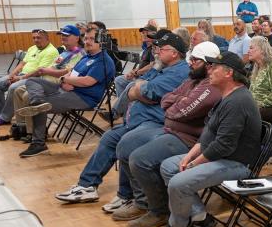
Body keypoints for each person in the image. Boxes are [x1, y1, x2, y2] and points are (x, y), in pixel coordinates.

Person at [52, 31, 190, 204]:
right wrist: (140, 86)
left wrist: (138, 89)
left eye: (161, 49)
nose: (156, 51)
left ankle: (127, 196)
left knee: (126, 142)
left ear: (174, 53)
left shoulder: (179, 72)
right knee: (110, 137)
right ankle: (87, 186)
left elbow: (146, 90)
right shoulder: (162, 67)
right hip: (140, 119)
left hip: (156, 123)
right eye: (157, 48)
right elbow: (140, 85)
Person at [152, 51, 261, 227]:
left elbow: (223, 146)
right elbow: (208, 134)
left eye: (214, 67)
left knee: (179, 182)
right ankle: (200, 217)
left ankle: (178, 226)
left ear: (229, 73)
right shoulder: (226, 97)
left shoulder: (239, 101)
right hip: (221, 157)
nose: (209, 70)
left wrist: (195, 164)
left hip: (236, 164)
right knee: (169, 167)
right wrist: (190, 156)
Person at [124, 42, 223, 227]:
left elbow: (180, 112)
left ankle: (158, 211)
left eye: (196, 60)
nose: (191, 63)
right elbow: (166, 99)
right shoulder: (193, 80)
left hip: (189, 140)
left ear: (209, 64)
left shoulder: (211, 87)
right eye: (191, 58)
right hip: (171, 131)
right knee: (126, 146)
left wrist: (176, 103)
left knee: (139, 159)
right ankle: (141, 200)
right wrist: (177, 101)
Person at [12, 28, 115, 158]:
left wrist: (65, 79)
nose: (88, 41)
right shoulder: (87, 56)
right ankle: (37, 102)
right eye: (86, 38)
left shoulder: (103, 61)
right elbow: (71, 71)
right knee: (33, 81)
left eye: (92, 39)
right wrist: (64, 80)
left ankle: (38, 143)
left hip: (83, 97)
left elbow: (87, 81)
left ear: (102, 42)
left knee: (39, 107)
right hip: (66, 88)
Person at [0, 29, 59, 126]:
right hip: (21, 75)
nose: (36, 40)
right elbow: (22, 63)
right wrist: (12, 75)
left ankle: (5, 117)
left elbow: (39, 72)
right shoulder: (32, 48)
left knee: (13, 87)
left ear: (47, 38)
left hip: (34, 79)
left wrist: (20, 78)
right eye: (34, 38)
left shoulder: (51, 51)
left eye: (39, 38)